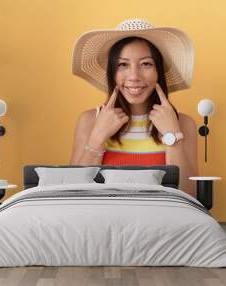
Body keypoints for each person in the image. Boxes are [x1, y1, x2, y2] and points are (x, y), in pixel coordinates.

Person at [69, 19, 198, 197]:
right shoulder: (89, 120)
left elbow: (190, 196)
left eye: (146, 64)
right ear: (112, 73)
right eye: (123, 65)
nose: (134, 76)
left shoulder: (184, 123)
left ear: (158, 71)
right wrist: (97, 138)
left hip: (160, 222)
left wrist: (173, 138)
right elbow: (72, 194)